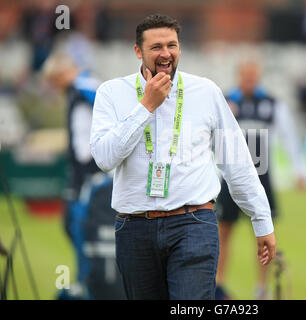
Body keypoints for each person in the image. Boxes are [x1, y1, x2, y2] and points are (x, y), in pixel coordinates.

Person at [89, 14, 276, 300]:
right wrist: (146, 107)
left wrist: (261, 221)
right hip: (134, 227)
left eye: (172, 45)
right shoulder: (111, 93)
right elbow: (104, 158)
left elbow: (236, 161)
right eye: (156, 47)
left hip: (194, 223)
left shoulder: (206, 92)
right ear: (138, 51)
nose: (166, 54)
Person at [215, 61, 306, 300]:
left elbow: (288, 136)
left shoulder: (271, 104)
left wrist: (299, 170)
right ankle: (218, 285)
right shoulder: (226, 102)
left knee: (263, 233)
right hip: (230, 178)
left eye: (253, 76)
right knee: (223, 232)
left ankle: (262, 289)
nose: (249, 80)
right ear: (239, 76)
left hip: (261, 177)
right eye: (245, 75)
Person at [43, 52, 125, 299]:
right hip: (94, 173)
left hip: (90, 177)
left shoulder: (82, 91)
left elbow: (86, 143)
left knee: (82, 229)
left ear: (60, 75)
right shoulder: (87, 87)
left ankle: (87, 285)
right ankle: (89, 282)